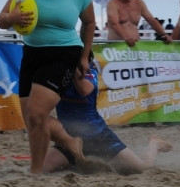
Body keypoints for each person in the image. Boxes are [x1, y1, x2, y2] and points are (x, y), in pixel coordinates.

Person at [0, 0, 96, 174]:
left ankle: (36, 171)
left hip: (64, 53)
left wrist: (84, 56)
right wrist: (11, 17)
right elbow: (0, 20)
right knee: (31, 120)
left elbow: (89, 23)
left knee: (37, 113)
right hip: (32, 54)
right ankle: (71, 142)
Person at [44, 54, 172, 174]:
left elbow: (83, 89)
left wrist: (71, 64)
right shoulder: (58, 77)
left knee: (143, 169)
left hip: (99, 138)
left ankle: (154, 143)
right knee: (38, 169)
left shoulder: (91, 74)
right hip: (69, 141)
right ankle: (75, 160)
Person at [105, 0, 171, 46]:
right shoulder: (113, 4)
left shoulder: (139, 3)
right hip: (116, 49)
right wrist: (126, 37)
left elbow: (151, 20)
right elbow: (114, 23)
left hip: (135, 48)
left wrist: (163, 34)